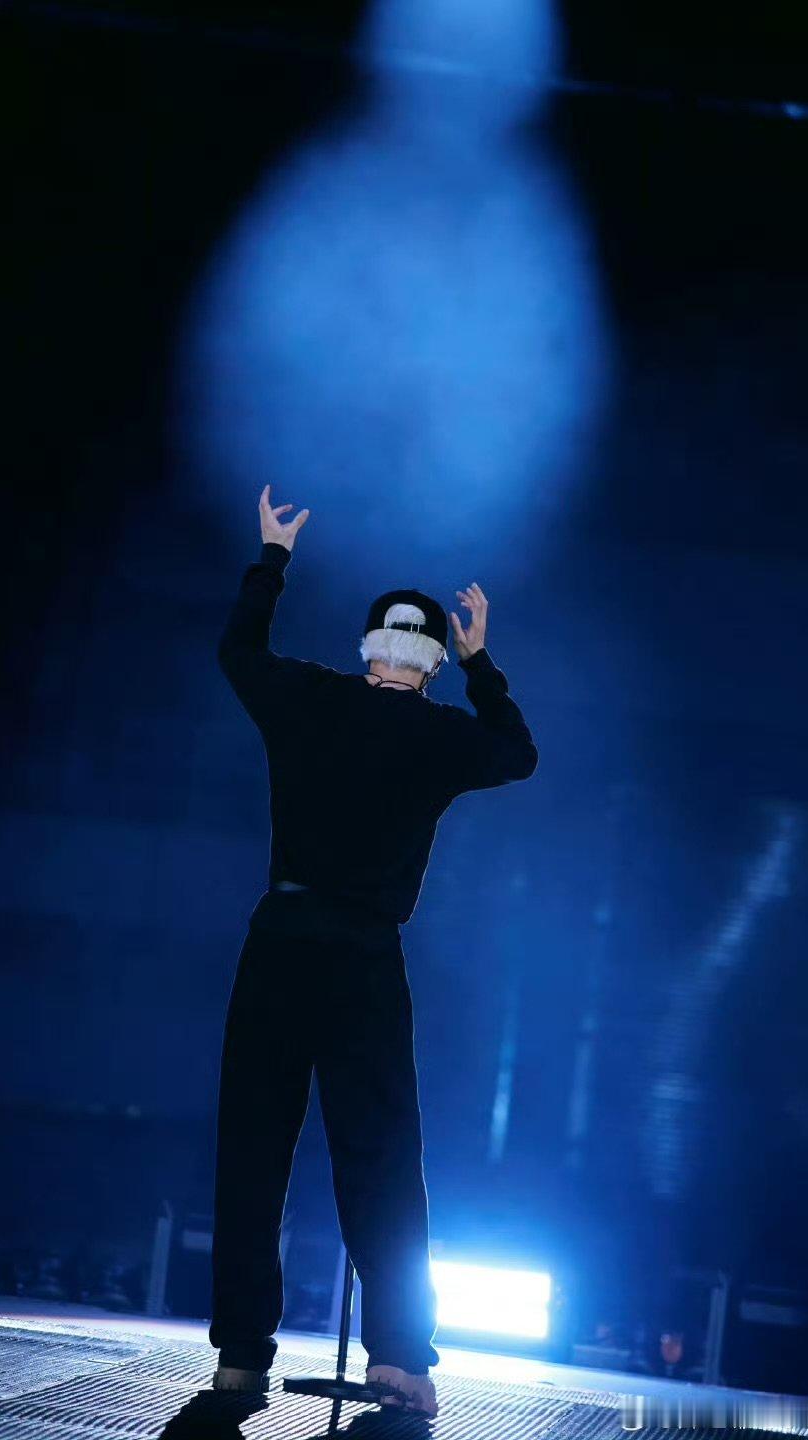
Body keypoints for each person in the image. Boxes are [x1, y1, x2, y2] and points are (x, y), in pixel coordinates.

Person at [210, 484, 538, 1415]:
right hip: (361, 957)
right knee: (383, 1160)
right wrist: (481, 663)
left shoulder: (309, 698)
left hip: (283, 941)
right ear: (430, 662)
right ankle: (398, 1358)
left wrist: (272, 560)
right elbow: (517, 753)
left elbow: (238, 653)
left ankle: (241, 1358)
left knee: (254, 1149)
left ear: (371, 649)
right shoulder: (439, 735)